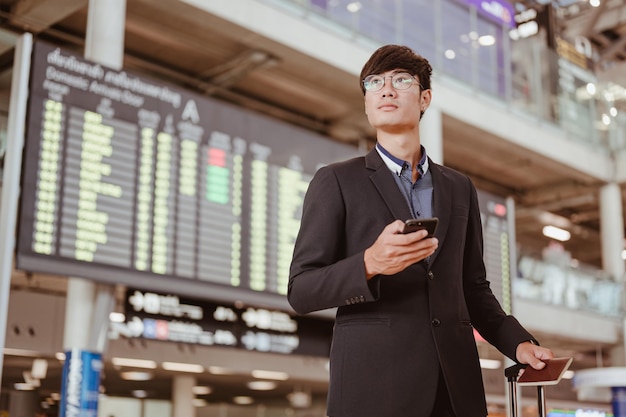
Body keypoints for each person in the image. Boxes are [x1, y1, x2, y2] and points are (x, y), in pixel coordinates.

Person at [288, 44, 554, 417]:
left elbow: (473, 289)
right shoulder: (335, 181)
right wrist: (369, 263)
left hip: (454, 387)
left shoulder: (459, 188)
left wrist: (518, 344)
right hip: (374, 389)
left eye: (401, 80)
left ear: (425, 98)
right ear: (366, 102)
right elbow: (301, 290)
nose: (386, 89)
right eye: (374, 82)